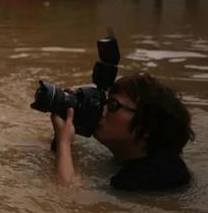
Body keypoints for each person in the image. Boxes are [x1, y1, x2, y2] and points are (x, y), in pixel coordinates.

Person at [51, 72, 194, 191]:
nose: (102, 110)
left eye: (112, 105)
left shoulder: (158, 174)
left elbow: (71, 196)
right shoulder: (128, 156)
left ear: (146, 128)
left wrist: (64, 143)